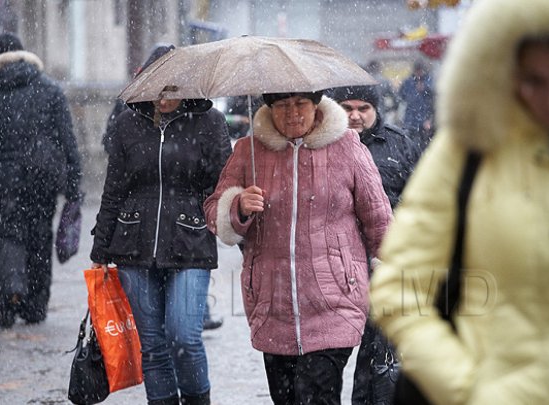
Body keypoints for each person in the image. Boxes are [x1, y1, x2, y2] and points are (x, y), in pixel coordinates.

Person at [369, 0, 549, 403]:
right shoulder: (466, 152)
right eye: (535, 81)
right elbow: (399, 289)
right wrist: (463, 387)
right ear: (506, 73)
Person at [204, 91, 392, 404]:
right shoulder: (248, 151)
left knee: (317, 395)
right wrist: (238, 205)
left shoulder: (347, 146)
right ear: (269, 108)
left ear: (316, 104)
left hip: (335, 299)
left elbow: (378, 216)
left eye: (300, 104)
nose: (292, 113)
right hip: (271, 302)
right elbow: (215, 213)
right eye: (282, 105)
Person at [89, 52, 232, 404]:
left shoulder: (209, 121)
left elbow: (223, 184)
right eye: (158, 86)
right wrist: (100, 250)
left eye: (173, 86)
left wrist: (239, 224)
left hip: (190, 240)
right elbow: (114, 189)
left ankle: (198, 399)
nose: (165, 96)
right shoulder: (127, 123)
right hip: (133, 243)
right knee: (152, 344)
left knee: (184, 337)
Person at [0, 32, 82, 329]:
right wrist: (73, 183)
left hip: (5, 180)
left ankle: (9, 295)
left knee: (6, 235)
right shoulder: (50, 89)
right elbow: (68, 141)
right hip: (43, 176)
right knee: (40, 237)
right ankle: (36, 306)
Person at [328, 85, 420, 404]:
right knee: (327, 357)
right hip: (335, 262)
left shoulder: (399, 143)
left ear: (376, 110)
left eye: (363, 108)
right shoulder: (321, 144)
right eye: (347, 107)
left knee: (379, 353)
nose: (355, 115)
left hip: (387, 260)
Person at [398, 59, 435, 148]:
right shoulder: (408, 81)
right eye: (417, 71)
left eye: (420, 71)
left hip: (424, 117)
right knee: (409, 142)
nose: (418, 73)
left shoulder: (429, 80)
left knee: (424, 143)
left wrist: (426, 89)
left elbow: (434, 99)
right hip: (410, 118)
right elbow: (401, 96)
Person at [363, 61, 399, 127]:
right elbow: (395, 98)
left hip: (366, 111)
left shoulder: (364, 79)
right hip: (381, 111)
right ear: (379, 68)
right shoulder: (385, 81)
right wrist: (391, 108)